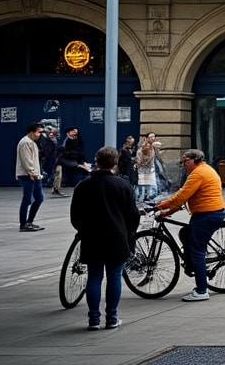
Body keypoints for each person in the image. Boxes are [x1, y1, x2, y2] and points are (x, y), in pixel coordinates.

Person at [70, 145, 140, 329]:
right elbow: (133, 215)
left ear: (96, 161)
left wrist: (83, 229)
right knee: (114, 276)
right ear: (115, 163)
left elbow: (75, 215)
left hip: (91, 237)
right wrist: (129, 233)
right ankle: (111, 318)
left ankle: (93, 319)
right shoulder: (123, 185)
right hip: (116, 237)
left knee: (94, 277)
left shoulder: (83, 185)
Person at [156, 149, 225, 302]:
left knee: (197, 251)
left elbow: (181, 196)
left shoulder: (198, 173)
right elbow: (184, 198)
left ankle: (201, 290)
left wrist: (160, 206)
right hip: (211, 212)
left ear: (195, 160)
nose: (183, 164)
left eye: (185, 161)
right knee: (185, 233)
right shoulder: (205, 169)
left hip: (207, 214)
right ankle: (194, 265)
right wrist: (167, 212)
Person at [16, 122, 46, 232]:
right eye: (39, 132)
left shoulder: (31, 142)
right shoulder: (25, 143)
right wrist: (32, 173)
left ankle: (29, 222)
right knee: (27, 199)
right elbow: (26, 160)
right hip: (28, 175)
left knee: (39, 198)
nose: (40, 135)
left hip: (34, 175)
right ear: (32, 132)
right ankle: (24, 224)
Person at [58, 126, 91, 195]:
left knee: (76, 175)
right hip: (70, 161)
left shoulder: (77, 140)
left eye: (75, 132)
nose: (74, 133)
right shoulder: (66, 140)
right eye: (73, 131)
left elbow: (80, 151)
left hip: (75, 161)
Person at [135, 139, 158, 203]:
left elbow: (151, 160)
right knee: (141, 185)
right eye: (145, 145)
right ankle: (140, 198)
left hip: (149, 171)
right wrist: (141, 163)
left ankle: (148, 197)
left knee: (149, 185)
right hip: (142, 171)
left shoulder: (152, 151)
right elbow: (138, 159)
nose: (147, 147)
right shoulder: (140, 151)